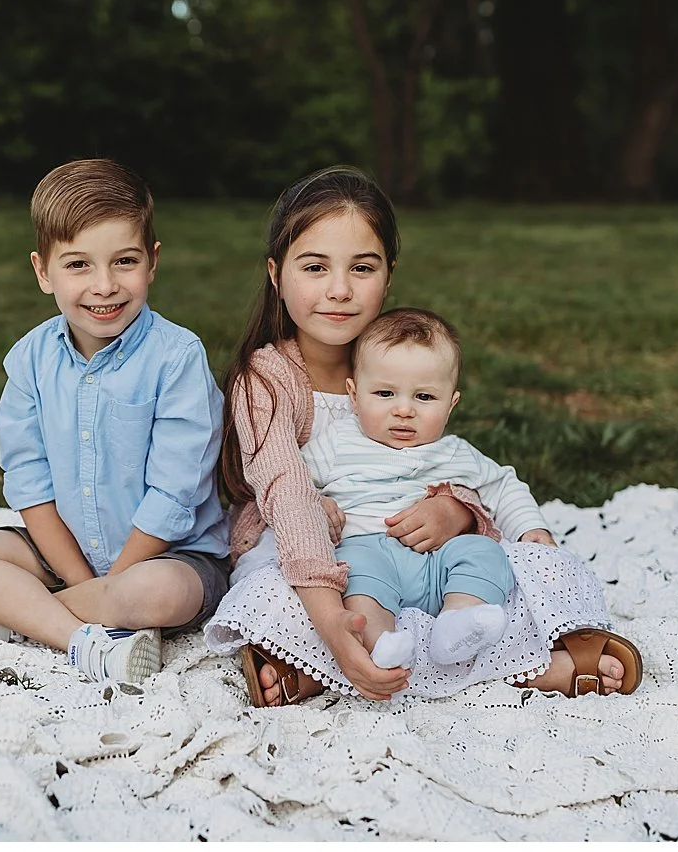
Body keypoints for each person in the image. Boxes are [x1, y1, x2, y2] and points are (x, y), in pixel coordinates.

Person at [210, 166, 636, 706]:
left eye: (362, 268)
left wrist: (456, 511)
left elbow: (452, 465)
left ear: (388, 276)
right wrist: (331, 615)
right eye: (314, 267)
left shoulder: (407, 360)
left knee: (519, 568)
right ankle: (354, 654)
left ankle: (319, 668)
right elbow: (287, 495)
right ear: (276, 274)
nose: (339, 290)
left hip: (426, 556)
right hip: (319, 558)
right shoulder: (267, 379)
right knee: (274, 591)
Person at [0, 158, 232, 689]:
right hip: (65, 550)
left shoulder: (176, 358)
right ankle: (84, 638)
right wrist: (89, 584)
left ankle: (13, 617)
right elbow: (30, 483)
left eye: (124, 261)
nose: (104, 285)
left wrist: (115, 585)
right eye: (79, 265)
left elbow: (175, 492)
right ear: (43, 271)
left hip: (169, 555)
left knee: (153, 595)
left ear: (152, 262)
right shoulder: (30, 359)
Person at [305, 306, 639, 688]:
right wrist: (319, 503)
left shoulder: (455, 453)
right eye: (384, 393)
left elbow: (503, 485)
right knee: (355, 574)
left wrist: (532, 528)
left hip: (438, 566)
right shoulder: (337, 443)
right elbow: (294, 485)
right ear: (353, 394)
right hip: (368, 551)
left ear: (451, 402)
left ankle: (459, 623)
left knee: (484, 554)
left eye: (425, 397)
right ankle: (382, 642)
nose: (403, 410)